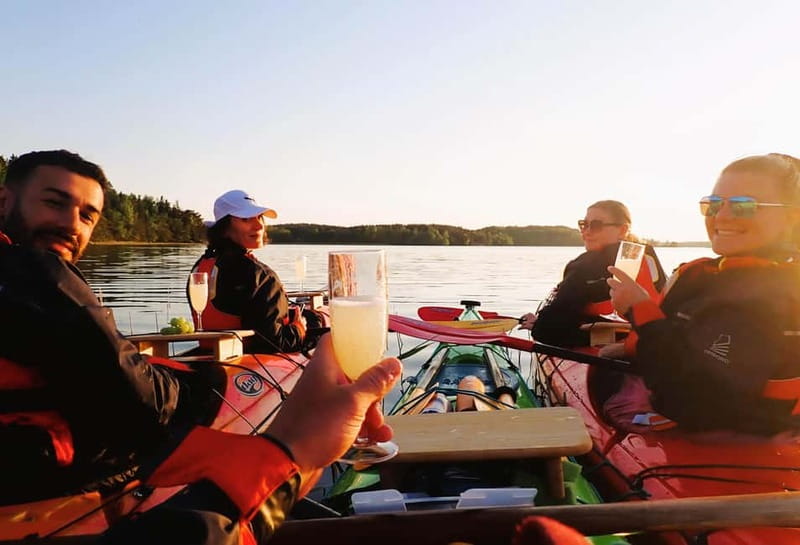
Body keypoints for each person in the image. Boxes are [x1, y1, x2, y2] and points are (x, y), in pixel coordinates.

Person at [0, 150, 400, 544]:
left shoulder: (205, 265)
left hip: (67, 435)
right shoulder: (38, 271)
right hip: (220, 382)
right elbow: (273, 341)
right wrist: (311, 326)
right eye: (55, 202)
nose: (72, 224)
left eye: (88, 215)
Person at [603, 153, 800, 435]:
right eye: (714, 205)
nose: (722, 216)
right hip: (758, 426)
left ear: (793, 217)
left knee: (610, 395)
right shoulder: (722, 276)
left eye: (745, 206)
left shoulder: (766, 294)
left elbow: (695, 402)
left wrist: (640, 310)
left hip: (734, 439)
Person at [520, 200, 666, 347]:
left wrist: (537, 326)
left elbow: (549, 330)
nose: (587, 231)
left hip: (613, 353)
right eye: (584, 225)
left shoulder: (584, 265)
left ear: (622, 230)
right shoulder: (648, 256)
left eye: (596, 225)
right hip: (654, 342)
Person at [189, 189, 317, 354]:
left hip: (211, 355)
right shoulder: (260, 276)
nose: (258, 226)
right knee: (320, 331)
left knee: (312, 317)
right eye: (245, 219)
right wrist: (299, 328)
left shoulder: (199, 267)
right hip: (250, 361)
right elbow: (275, 343)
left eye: (259, 217)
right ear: (224, 228)